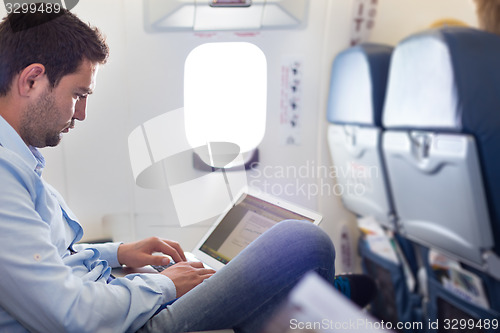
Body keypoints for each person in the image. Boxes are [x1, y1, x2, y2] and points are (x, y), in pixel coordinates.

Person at [0, 8, 374, 333]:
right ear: (32, 80)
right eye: (79, 95)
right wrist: (163, 286)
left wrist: (120, 253)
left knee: (253, 265)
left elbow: (53, 257)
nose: (80, 113)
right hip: (109, 323)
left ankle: (289, 297)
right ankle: (300, 295)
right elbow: (70, 315)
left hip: (104, 294)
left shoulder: (18, 159)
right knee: (302, 241)